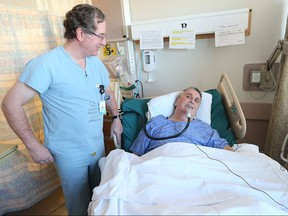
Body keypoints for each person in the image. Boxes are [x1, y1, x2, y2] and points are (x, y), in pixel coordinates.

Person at [1, 4, 123, 215]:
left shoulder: (95, 63)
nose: (103, 42)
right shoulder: (46, 64)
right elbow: (10, 104)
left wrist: (116, 116)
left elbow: (107, 91)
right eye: (100, 36)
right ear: (80, 33)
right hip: (69, 152)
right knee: (79, 206)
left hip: (96, 145)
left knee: (101, 200)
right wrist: (33, 145)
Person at [130, 87, 234, 156]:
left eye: (196, 100)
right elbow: (136, 155)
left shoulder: (205, 129)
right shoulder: (155, 123)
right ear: (176, 102)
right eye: (188, 96)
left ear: (197, 109)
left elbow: (227, 151)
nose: (192, 101)